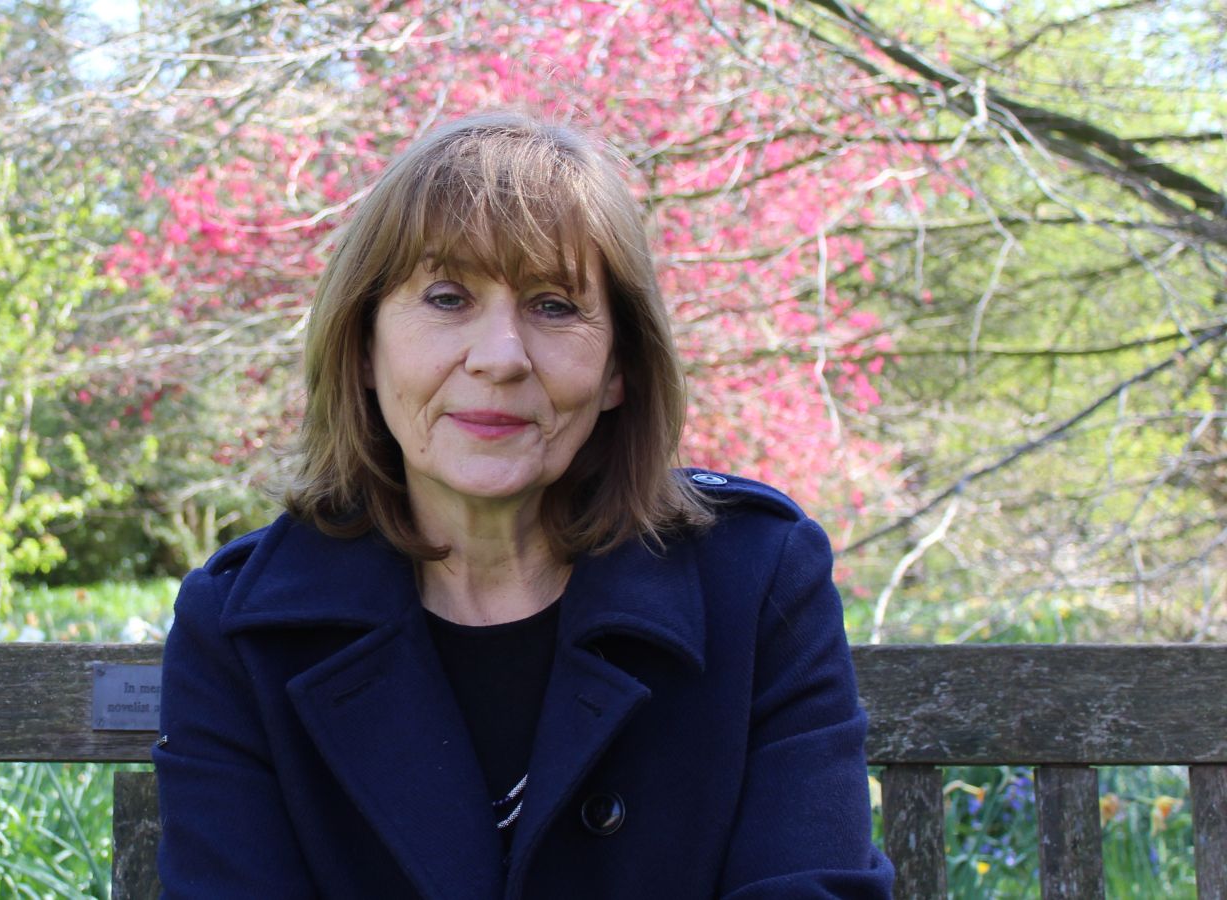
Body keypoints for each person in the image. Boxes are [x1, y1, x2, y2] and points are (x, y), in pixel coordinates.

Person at [152, 112, 894, 899]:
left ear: (619, 370)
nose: (501, 358)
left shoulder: (759, 584)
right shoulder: (243, 633)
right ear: (364, 349)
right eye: (446, 298)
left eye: (553, 305)